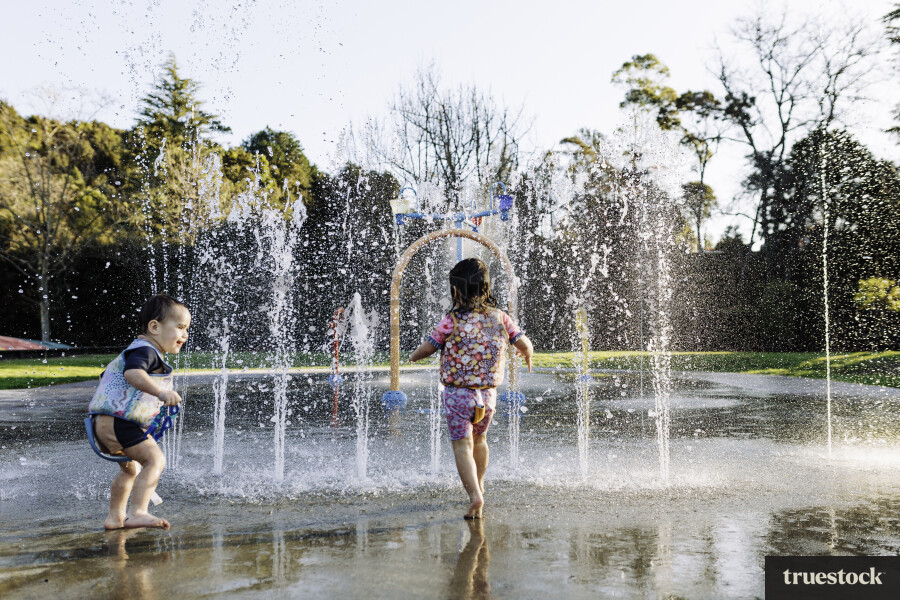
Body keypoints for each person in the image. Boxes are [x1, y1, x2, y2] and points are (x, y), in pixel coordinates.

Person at [410, 258, 533, 519]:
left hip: (458, 395)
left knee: (461, 445)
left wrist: (412, 357)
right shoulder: (501, 318)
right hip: (487, 396)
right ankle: (481, 485)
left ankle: (474, 496)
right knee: (480, 439)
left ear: (456, 291)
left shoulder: (451, 320)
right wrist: (528, 355)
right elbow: (524, 343)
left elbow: (429, 347)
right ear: (485, 288)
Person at [88, 294, 190, 530]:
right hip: (119, 423)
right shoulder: (146, 351)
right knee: (155, 460)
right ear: (154, 327)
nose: (185, 335)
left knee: (130, 470)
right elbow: (132, 375)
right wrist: (160, 393)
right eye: (180, 327)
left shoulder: (138, 350)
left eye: (187, 329)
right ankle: (138, 512)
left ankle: (115, 517)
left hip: (105, 423)